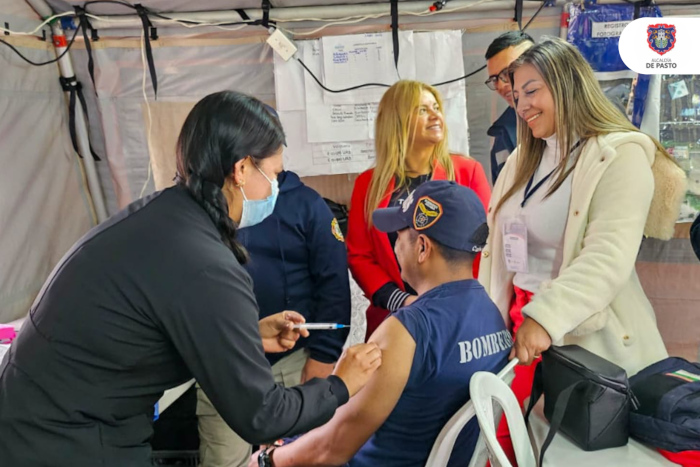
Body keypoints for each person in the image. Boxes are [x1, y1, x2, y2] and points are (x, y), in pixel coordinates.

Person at [0, 91, 382, 467]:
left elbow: (164, 316)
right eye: (275, 175)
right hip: (65, 435)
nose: (276, 190)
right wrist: (340, 385)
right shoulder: (205, 263)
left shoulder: (167, 215)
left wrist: (246, 331)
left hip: (41, 409)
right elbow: (262, 414)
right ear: (242, 169)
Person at [480, 36, 686, 399]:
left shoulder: (619, 156)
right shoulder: (521, 160)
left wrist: (543, 318)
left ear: (567, 85)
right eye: (517, 94)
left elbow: (607, 258)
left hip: (579, 334)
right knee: (514, 443)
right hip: (517, 323)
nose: (522, 104)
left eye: (532, 91)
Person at [250, 181, 511, 467]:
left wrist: (267, 460)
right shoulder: (493, 315)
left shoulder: (407, 331)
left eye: (399, 235)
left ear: (422, 247)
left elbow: (330, 449)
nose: (396, 245)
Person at [197, 164, 351, 465]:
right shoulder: (206, 206)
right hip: (225, 365)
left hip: (293, 365)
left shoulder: (305, 204)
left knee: (295, 458)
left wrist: (324, 358)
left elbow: (334, 286)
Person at [347, 80, 491, 340]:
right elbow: (360, 256)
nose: (436, 115)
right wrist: (401, 300)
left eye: (436, 107)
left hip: (460, 319)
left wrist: (454, 302)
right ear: (397, 120)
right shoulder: (368, 185)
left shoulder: (467, 172)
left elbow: (485, 245)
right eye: (422, 109)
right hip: (395, 321)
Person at [485, 31, 535, 183]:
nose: (501, 85)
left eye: (507, 73)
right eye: (495, 79)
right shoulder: (502, 136)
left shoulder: (577, 124)